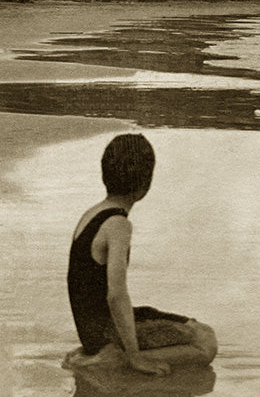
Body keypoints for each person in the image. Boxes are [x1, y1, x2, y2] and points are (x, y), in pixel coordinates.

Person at [65, 134, 218, 376]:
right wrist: (136, 357)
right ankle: (111, 360)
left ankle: (102, 354)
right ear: (146, 183)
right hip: (104, 332)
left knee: (191, 325)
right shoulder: (118, 225)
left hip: (90, 329)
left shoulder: (92, 213)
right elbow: (116, 295)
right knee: (206, 341)